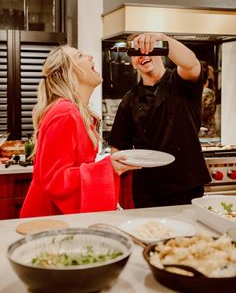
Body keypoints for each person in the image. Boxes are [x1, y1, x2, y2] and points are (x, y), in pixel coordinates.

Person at [20, 45, 139, 218]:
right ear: (68, 72)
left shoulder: (75, 112)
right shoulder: (65, 112)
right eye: (80, 55)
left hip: (56, 216)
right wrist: (107, 167)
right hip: (48, 219)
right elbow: (55, 179)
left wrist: (108, 165)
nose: (90, 56)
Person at [109, 32, 211, 208]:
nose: (143, 55)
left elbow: (191, 63)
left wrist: (163, 38)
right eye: (136, 52)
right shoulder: (129, 99)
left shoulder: (182, 82)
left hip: (186, 186)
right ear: (132, 62)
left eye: (148, 49)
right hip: (146, 191)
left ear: (161, 52)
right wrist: (118, 163)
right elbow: (118, 148)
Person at [200, 61, 217, 138]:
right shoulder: (208, 92)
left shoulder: (207, 93)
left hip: (206, 133)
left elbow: (203, 114)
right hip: (205, 132)